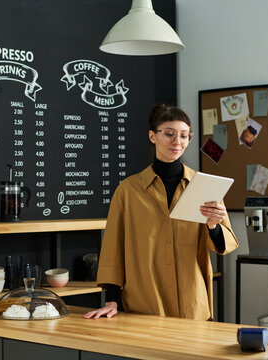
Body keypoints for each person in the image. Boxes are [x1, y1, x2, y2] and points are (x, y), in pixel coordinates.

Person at [83, 103, 238, 321]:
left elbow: (225, 244)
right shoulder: (128, 190)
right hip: (145, 302)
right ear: (152, 136)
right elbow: (113, 248)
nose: (177, 142)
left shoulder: (205, 187)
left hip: (192, 300)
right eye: (169, 134)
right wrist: (112, 300)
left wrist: (213, 225)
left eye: (184, 136)